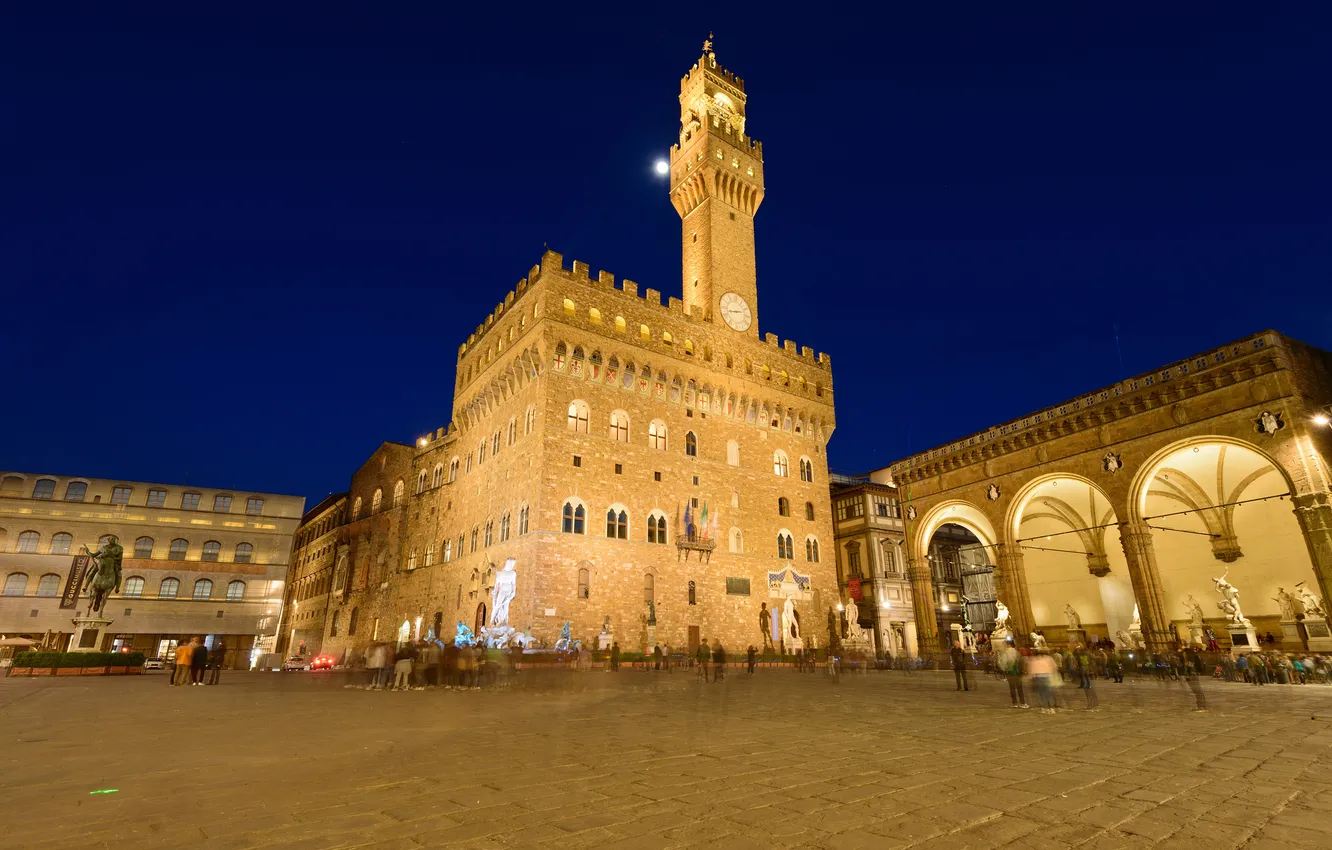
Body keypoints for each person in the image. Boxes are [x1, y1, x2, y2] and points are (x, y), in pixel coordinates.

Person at [996, 642, 1027, 708]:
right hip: (1018, 673)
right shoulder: (1018, 653)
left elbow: (1003, 663)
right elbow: (1022, 662)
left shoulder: (1006, 653)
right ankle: (1022, 703)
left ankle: (1015, 703)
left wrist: (1004, 668)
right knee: (1020, 689)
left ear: (1008, 645)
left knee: (1012, 689)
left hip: (1010, 673)